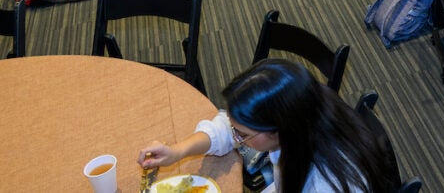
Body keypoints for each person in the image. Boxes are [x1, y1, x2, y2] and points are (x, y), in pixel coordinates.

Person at [137, 58, 391, 193]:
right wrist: (178, 151)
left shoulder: (327, 183)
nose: (236, 136)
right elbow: (229, 125)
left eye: (243, 135)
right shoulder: (308, 110)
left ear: (280, 129)